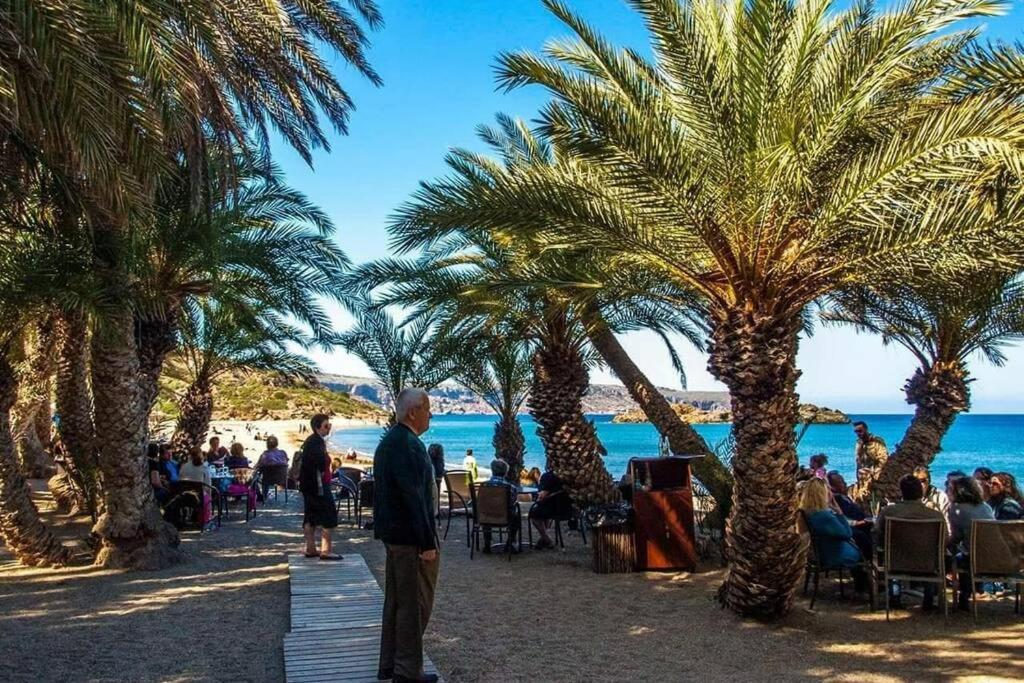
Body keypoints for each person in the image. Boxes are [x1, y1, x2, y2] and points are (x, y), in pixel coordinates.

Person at [373, 388, 439, 683]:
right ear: (413, 412)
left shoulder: (389, 442)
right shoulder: (409, 445)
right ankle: (407, 672)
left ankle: (390, 664)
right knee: (414, 605)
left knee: (397, 602)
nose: (430, 414)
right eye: (427, 408)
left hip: (394, 535)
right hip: (410, 539)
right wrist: (426, 542)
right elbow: (414, 498)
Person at [873, 474, 945, 609]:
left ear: (901, 491)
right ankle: (929, 599)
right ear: (921, 491)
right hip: (928, 563)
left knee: (892, 552)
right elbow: (944, 540)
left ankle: (895, 597)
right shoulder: (935, 515)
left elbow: (877, 533)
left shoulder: (889, 512)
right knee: (930, 552)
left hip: (896, 561)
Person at [797, 478, 867, 590]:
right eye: (828, 490)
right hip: (833, 555)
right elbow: (847, 533)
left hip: (821, 552)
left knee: (859, 536)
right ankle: (866, 581)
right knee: (862, 539)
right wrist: (839, 512)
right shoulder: (824, 516)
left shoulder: (808, 513)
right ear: (822, 493)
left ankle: (862, 582)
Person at [946, 475, 995, 609]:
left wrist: (942, 544)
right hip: (996, 556)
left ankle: (960, 595)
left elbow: (956, 538)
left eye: (950, 489)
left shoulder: (957, 509)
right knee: (965, 555)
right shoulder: (985, 507)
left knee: (957, 558)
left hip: (973, 559)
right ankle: (967, 594)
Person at [299, 414, 341, 561]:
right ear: (317, 427)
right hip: (319, 486)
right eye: (325, 425)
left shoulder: (311, 441)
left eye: (329, 425)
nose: (328, 428)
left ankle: (311, 548)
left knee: (310, 516)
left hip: (308, 486)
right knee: (329, 516)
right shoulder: (316, 442)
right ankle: (326, 550)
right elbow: (319, 463)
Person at [529, 463, 572, 550]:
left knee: (535, 515)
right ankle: (543, 540)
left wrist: (538, 501)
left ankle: (547, 539)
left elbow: (542, 496)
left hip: (553, 510)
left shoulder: (548, 476)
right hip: (569, 509)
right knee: (543, 510)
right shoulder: (571, 475)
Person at [481, 459, 521, 553]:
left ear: (492, 470)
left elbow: (481, 501)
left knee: (486, 508)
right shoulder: (510, 487)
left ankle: (487, 545)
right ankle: (509, 543)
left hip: (486, 518)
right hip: (505, 518)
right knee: (516, 516)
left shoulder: (483, 485)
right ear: (506, 472)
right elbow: (512, 501)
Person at [852, 420, 888, 498]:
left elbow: (883, 459)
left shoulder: (877, 442)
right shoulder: (858, 443)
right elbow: (858, 461)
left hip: (873, 479)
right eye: (856, 432)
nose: (858, 434)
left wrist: (874, 475)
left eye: (860, 431)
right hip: (861, 479)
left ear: (866, 429)